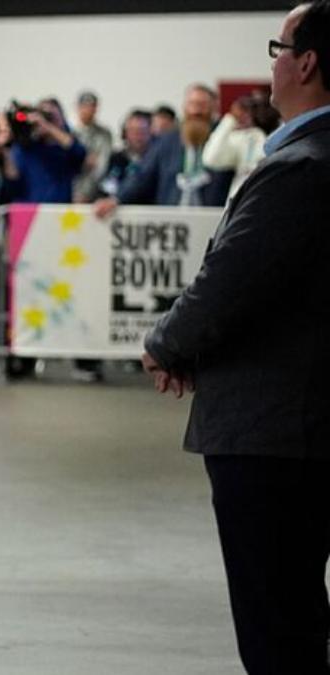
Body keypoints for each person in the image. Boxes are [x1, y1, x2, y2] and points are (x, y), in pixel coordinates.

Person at [142, 4, 330, 672]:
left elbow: (231, 278)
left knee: (279, 622)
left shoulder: (302, 166)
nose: (271, 60)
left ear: (305, 62)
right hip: (297, 417)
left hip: (277, 428)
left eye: (278, 46)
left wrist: (167, 343)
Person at [96, 85, 232, 215]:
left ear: (213, 108)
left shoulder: (226, 140)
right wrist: (116, 199)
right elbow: (142, 176)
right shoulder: (167, 142)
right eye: (192, 104)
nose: (196, 111)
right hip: (172, 217)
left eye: (202, 105)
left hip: (212, 217)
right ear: (185, 107)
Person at [9, 97, 87, 204]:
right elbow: (13, 179)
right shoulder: (26, 148)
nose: (44, 121)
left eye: (51, 116)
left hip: (58, 211)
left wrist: (49, 127)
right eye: (43, 116)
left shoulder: (66, 147)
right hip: (29, 212)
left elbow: (79, 152)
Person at [202, 94, 272, 198]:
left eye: (242, 113)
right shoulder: (241, 139)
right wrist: (228, 121)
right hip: (240, 202)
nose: (238, 117)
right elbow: (210, 159)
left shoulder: (269, 138)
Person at [97, 109, 153, 198]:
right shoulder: (116, 158)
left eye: (142, 131)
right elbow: (107, 187)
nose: (137, 136)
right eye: (133, 131)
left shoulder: (156, 160)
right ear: (125, 133)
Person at [72, 90, 114, 203]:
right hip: (70, 192)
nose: (88, 110)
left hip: (94, 195)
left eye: (92, 106)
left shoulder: (104, 134)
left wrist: (86, 193)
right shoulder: (69, 133)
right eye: (84, 106)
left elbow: (101, 166)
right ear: (77, 107)